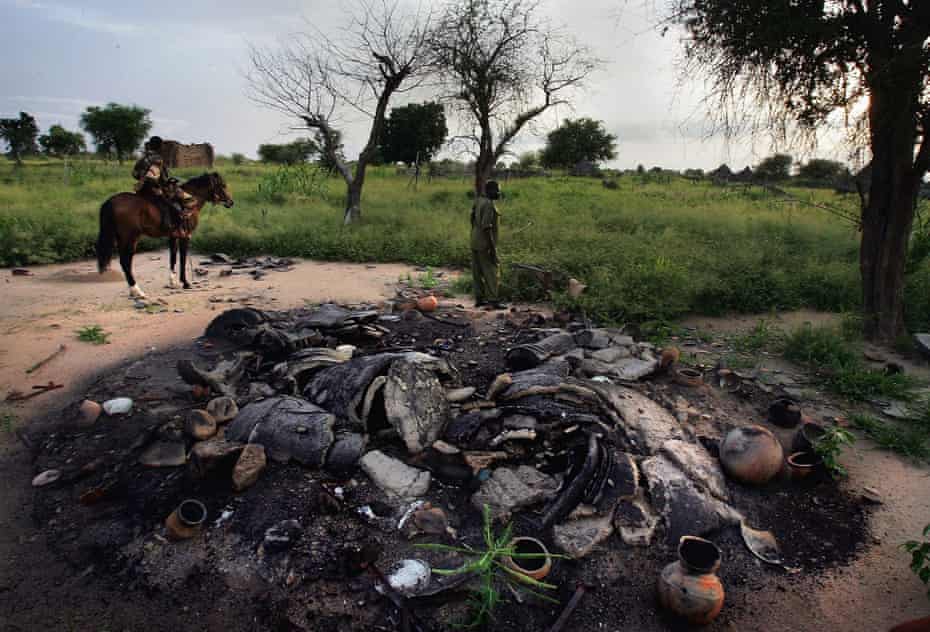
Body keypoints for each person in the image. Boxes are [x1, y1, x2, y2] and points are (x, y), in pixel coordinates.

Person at [132, 136, 184, 231]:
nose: (163, 148)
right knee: (170, 204)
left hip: (141, 189)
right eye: (162, 146)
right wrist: (169, 183)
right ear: (160, 147)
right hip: (153, 188)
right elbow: (163, 178)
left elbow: (134, 174)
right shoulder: (158, 159)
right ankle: (167, 225)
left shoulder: (142, 158)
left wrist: (142, 177)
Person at [470, 180, 506, 309]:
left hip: (474, 241)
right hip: (485, 243)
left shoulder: (479, 200)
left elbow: (472, 217)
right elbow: (487, 228)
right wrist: (492, 248)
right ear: (489, 190)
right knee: (492, 271)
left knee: (477, 271)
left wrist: (475, 233)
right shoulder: (489, 204)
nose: (498, 193)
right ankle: (493, 300)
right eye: (497, 190)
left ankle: (479, 299)